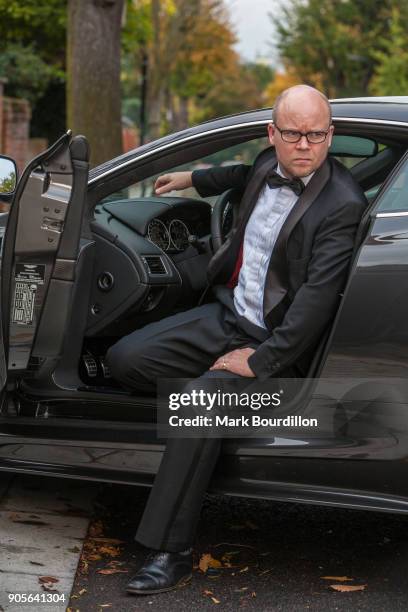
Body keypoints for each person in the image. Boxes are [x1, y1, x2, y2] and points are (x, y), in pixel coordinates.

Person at [106, 85, 368, 595]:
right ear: (273, 135)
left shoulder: (342, 204)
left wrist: (261, 361)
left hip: (279, 348)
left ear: (330, 137)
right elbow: (238, 176)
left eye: (316, 134)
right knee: (125, 359)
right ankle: (204, 425)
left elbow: (316, 300)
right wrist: (192, 178)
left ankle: (170, 550)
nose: (303, 144)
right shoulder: (265, 165)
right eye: (292, 133)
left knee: (198, 405)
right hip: (229, 318)